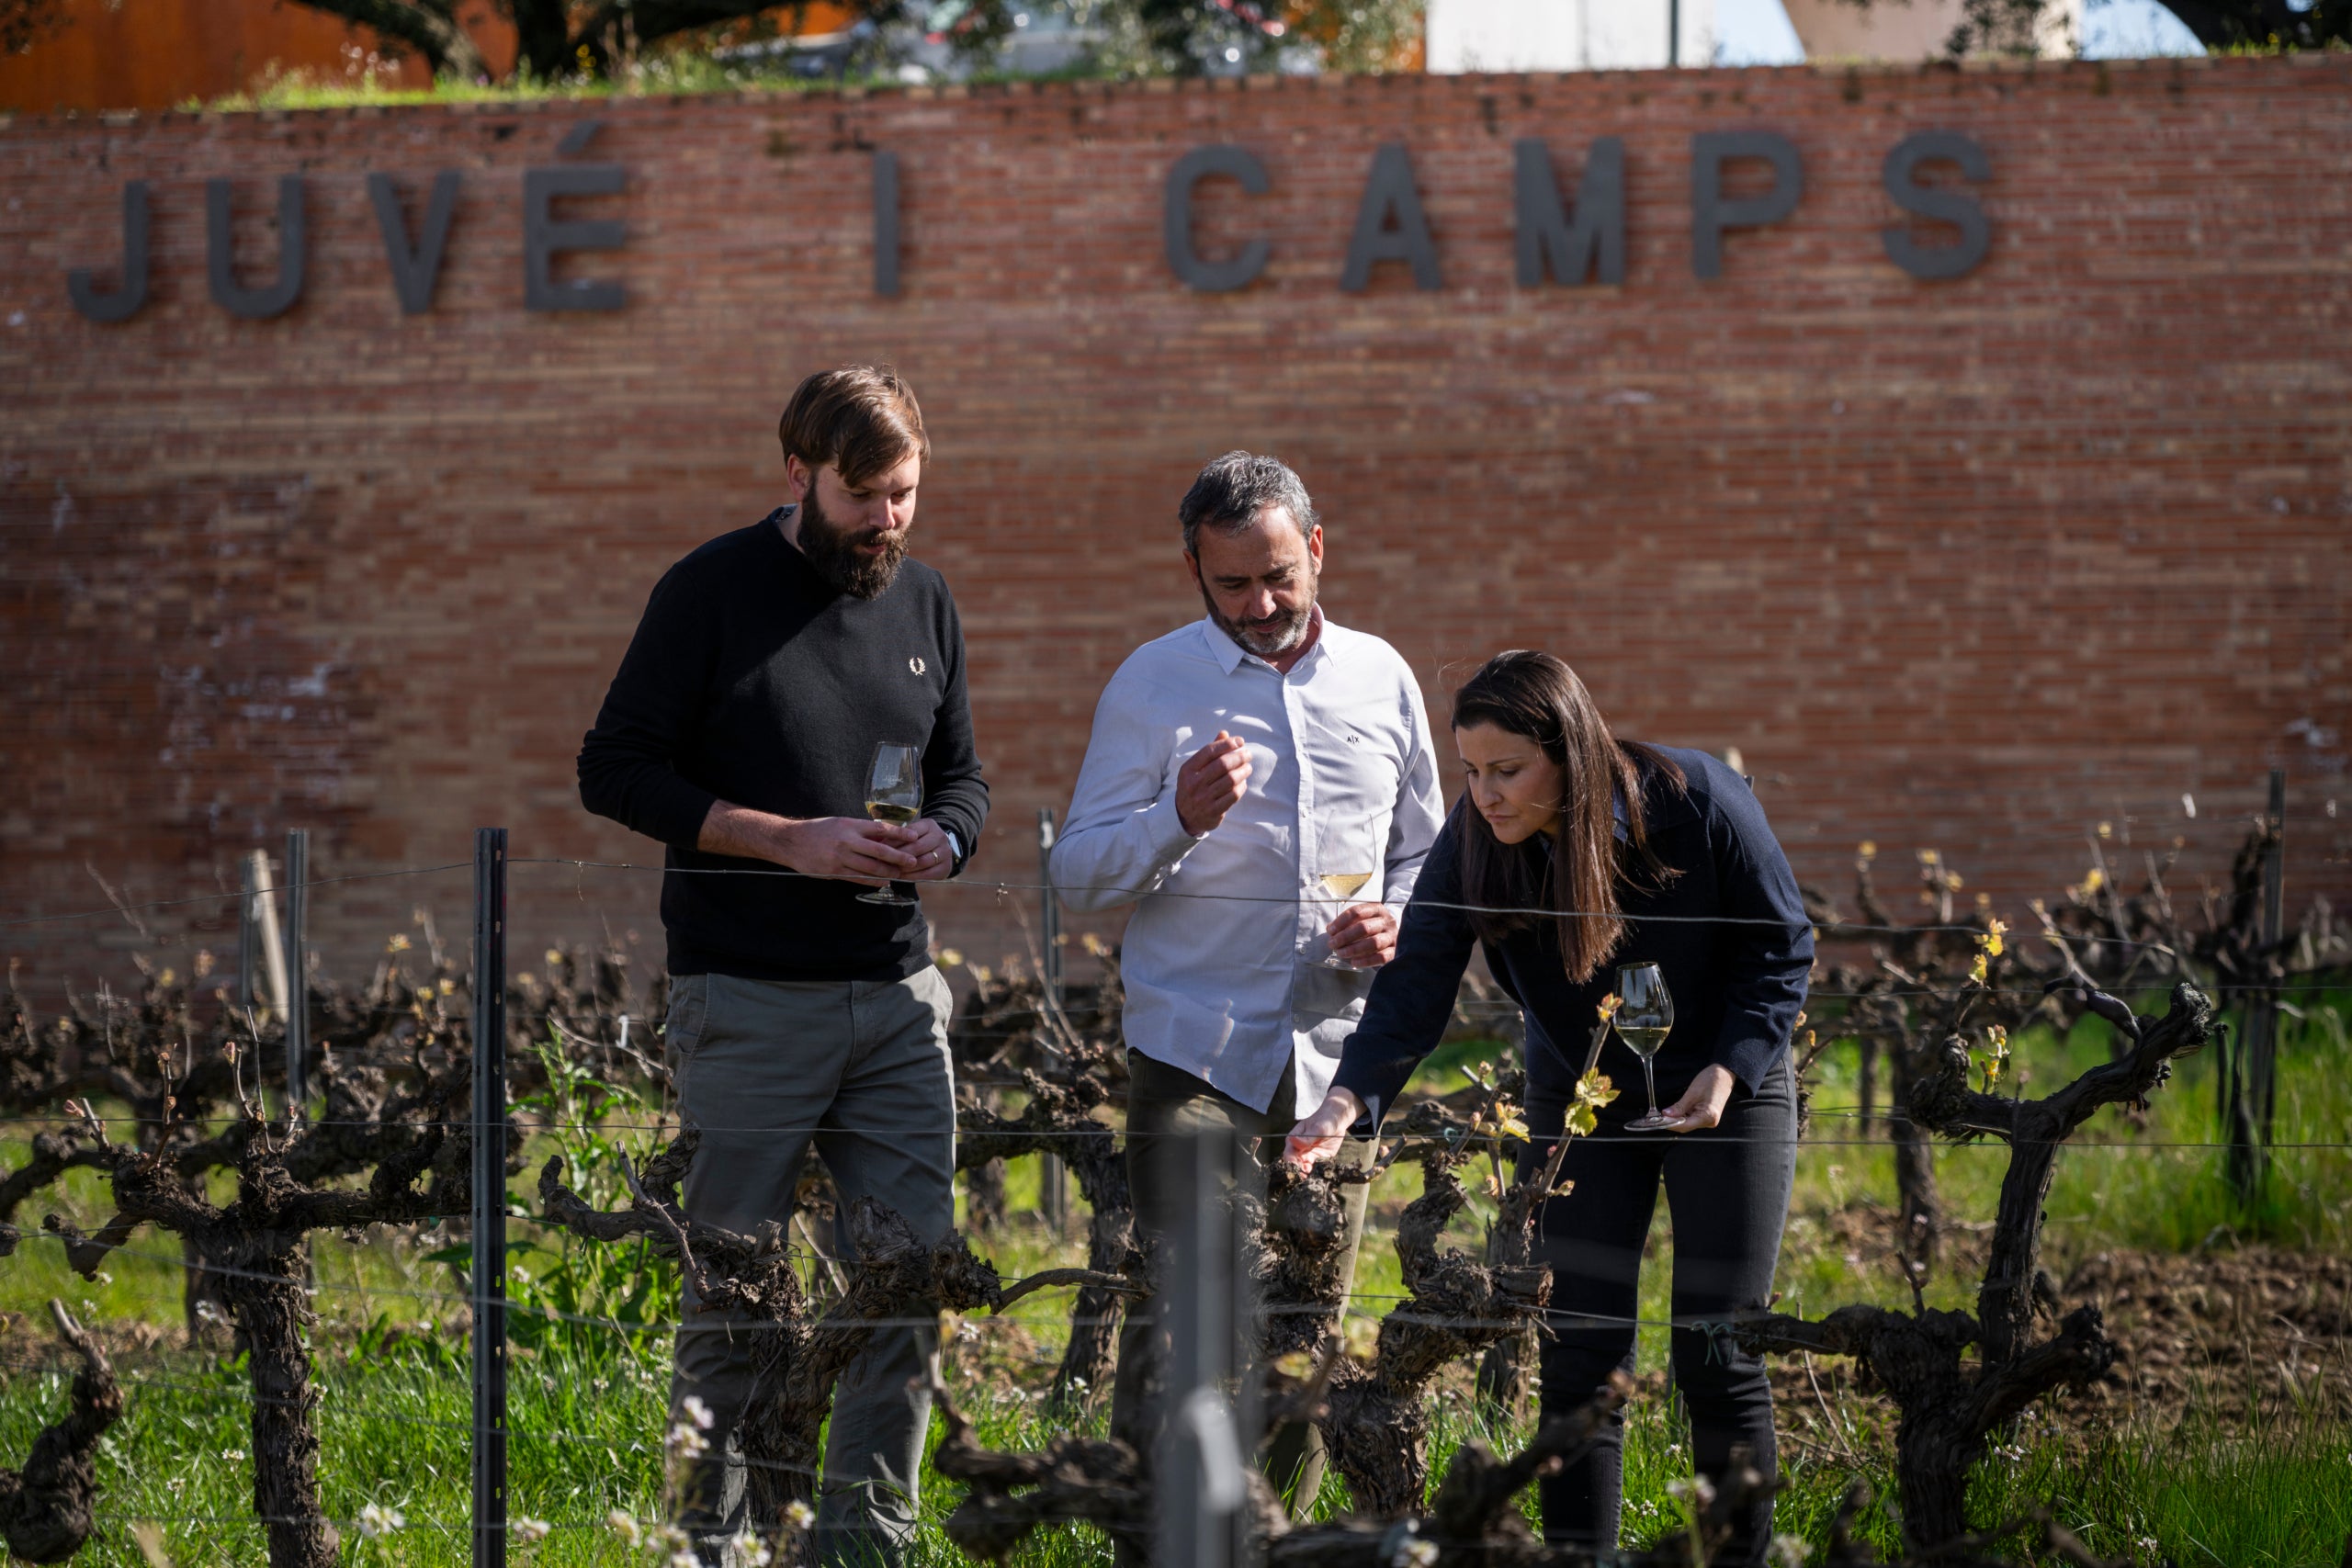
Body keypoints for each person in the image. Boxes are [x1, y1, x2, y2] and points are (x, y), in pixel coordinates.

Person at [576, 366, 986, 1566]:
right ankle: (707, 1547)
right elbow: (613, 769)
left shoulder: (927, 602)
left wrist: (948, 837)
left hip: (899, 997)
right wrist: (783, 839)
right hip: (747, 997)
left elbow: (964, 776)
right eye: (863, 496)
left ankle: (866, 1547)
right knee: (733, 1299)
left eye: (905, 494)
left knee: (904, 1286)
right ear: (797, 472)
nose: (886, 521)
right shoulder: (707, 592)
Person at [1286, 650, 1810, 1563]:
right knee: (1579, 1358)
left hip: (1725, 1090)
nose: (1484, 795)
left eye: (1508, 769)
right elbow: (1417, 979)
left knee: (1717, 1350)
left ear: (1571, 752)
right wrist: (1347, 1099)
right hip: (1581, 1096)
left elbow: (1782, 946)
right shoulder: (1477, 836)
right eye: (1470, 770)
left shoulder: (1700, 803)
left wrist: (1732, 1068)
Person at [1049, 450, 1445, 1513]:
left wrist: (1398, 917)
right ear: (1192, 569)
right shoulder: (1150, 683)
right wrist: (1174, 818)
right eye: (1232, 585)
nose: (1260, 605)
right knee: (1184, 1328)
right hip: (1195, 1055)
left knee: (1304, 1334)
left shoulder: (1382, 677)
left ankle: (1277, 1539)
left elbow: (1427, 853)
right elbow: (1075, 875)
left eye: (1279, 577)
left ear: (1316, 549)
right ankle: (1161, 1539)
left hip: (1337, 1064)